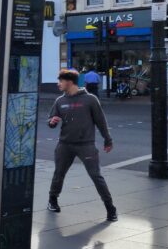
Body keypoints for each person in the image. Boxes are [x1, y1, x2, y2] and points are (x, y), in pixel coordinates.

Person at [47, 69, 117, 222]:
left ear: (70, 82)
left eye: (60, 81)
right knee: (59, 173)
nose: (58, 84)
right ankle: (52, 200)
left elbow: (101, 121)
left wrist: (108, 139)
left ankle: (110, 208)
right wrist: (51, 122)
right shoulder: (60, 101)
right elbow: (51, 119)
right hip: (64, 145)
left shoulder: (90, 99)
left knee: (96, 176)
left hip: (86, 145)